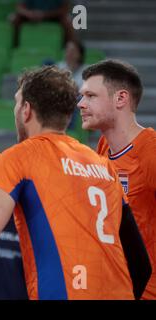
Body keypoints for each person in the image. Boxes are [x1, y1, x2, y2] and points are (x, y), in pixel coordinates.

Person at [0, 66, 152, 300]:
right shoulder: (103, 165)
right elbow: (140, 265)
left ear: (26, 110)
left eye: (17, 103)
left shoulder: (21, 156)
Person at [78, 59, 156, 300]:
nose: (81, 104)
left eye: (91, 96)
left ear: (120, 99)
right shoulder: (103, 146)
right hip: (117, 287)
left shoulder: (150, 151)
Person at [10, 0, 75, 48]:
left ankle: (69, 47)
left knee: (67, 20)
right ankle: (14, 46)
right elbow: (19, 7)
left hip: (53, 16)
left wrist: (44, 14)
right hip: (30, 16)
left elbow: (64, 9)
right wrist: (29, 13)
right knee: (14, 18)